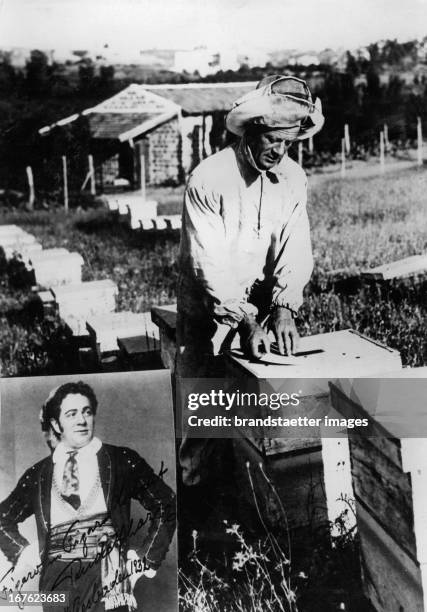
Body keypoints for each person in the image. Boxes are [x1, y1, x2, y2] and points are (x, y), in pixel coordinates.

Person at [176, 75, 324, 485]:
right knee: (203, 416)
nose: (279, 151)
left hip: (260, 307)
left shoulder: (293, 179)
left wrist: (283, 306)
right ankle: (197, 505)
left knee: (264, 422)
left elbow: (295, 245)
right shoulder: (209, 179)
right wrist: (243, 318)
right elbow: (209, 264)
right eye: (273, 140)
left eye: (289, 143)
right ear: (254, 129)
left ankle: (250, 493)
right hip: (208, 310)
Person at [0, 381, 176, 612]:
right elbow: (3, 519)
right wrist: (25, 554)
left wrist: (145, 560)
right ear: (56, 423)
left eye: (87, 412)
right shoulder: (39, 474)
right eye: (71, 414)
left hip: (109, 579)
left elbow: (166, 504)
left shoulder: (121, 460)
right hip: (56, 582)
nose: (81, 421)